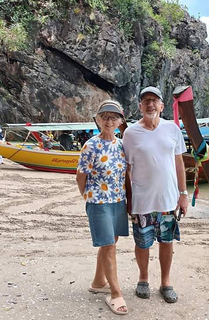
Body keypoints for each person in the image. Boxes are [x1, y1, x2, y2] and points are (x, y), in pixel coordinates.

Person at [123, 86, 188, 304]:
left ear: (161, 105)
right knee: (142, 242)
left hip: (168, 199)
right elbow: (128, 169)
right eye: (146, 101)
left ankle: (166, 282)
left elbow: (179, 163)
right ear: (140, 106)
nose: (150, 104)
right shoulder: (130, 133)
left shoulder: (173, 129)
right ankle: (143, 279)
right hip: (142, 199)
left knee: (166, 241)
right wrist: (129, 199)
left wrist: (184, 194)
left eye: (154, 100)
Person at [76, 99, 129, 316]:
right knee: (109, 246)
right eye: (105, 117)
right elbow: (81, 176)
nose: (109, 121)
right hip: (98, 202)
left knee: (110, 242)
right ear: (98, 120)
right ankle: (116, 294)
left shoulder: (121, 145)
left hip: (118, 201)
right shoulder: (91, 145)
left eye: (113, 117)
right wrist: (88, 197)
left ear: (120, 121)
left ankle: (98, 282)